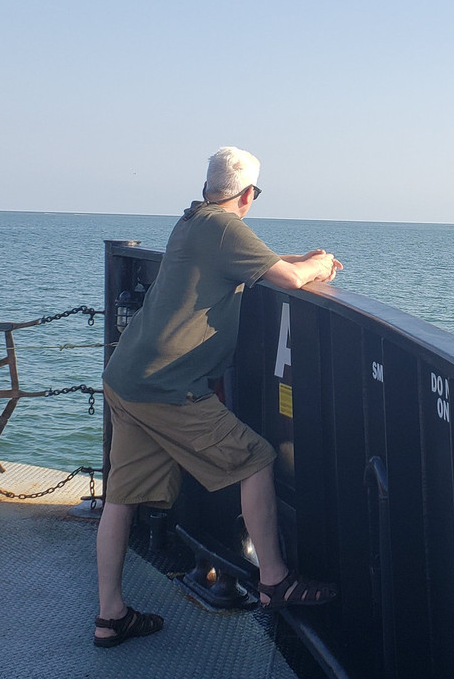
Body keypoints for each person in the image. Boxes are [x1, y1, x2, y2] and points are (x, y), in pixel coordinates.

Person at [93, 146, 341, 648]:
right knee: (254, 458)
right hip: (166, 386)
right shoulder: (224, 228)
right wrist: (318, 264)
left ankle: (110, 616)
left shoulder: (194, 222)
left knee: (121, 498)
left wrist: (300, 261)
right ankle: (274, 579)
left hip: (127, 376)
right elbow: (289, 278)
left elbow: (265, 263)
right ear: (248, 194)